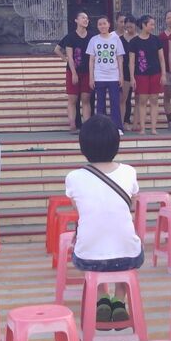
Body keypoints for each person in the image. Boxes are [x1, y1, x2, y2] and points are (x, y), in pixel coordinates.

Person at [64, 114, 143, 324]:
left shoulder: (74, 177)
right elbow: (132, 202)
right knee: (126, 249)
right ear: (116, 144)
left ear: (83, 146)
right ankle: (119, 300)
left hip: (89, 257)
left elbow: (78, 208)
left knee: (91, 245)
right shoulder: (129, 172)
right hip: (128, 255)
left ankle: (101, 298)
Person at [55, 11, 93, 133]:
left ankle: (87, 126)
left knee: (86, 99)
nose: (85, 20)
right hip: (73, 71)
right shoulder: (71, 36)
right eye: (83, 18)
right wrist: (72, 70)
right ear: (76, 20)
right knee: (72, 99)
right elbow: (68, 56)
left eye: (87, 18)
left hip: (87, 71)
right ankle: (72, 125)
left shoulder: (92, 37)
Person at [87, 15, 126, 132]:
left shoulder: (116, 39)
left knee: (115, 103)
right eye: (100, 24)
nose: (102, 26)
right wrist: (91, 77)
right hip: (99, 76)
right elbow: (91, 60)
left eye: (104, 23)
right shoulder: (94, 40)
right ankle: (100, 129)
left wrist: (121, 76)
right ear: (97, 26)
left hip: (113, 75)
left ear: (109, 24)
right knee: (100, 103)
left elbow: (120, 58)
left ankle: (117, 127)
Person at [127, 15, 165, 134]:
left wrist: (163, 74)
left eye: (153, 24)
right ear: (144, 25)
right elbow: (131, 62)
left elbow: (161, 59)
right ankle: (142, 127)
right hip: (140, 75)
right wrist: (132, 77)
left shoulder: (156, 40)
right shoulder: (134, 42)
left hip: (155, 73)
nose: (153, 27)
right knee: (142, 101)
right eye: (151, 24)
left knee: (154, 100)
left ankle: (153, 128)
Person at [119, 13, 138, 126]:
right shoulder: (119, 39)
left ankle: (135, 123)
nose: (129, 28)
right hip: (124, 71)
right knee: (123, 98)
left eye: (131, 26)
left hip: (138, 71)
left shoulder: (139, 38)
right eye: (127, 26)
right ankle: (122, 122)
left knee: (138, 99)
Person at [160, 10, 171, 127]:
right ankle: (169, 120)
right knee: (167, 95)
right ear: (165, 20)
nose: (170, 20)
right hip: (166, 69)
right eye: (168, 18)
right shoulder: (161, 36)